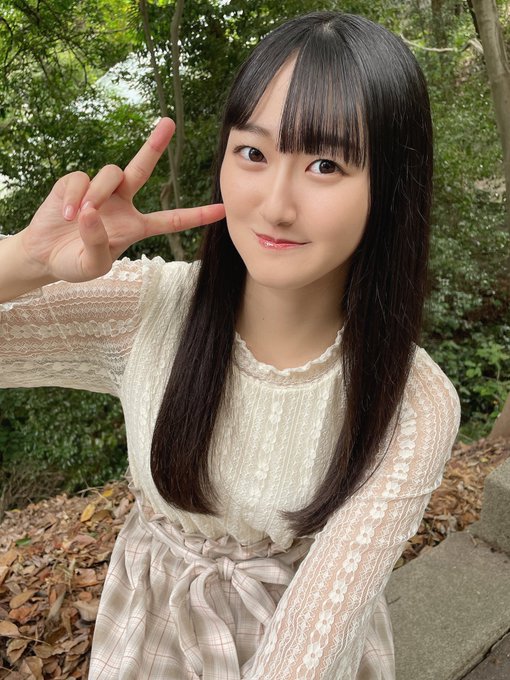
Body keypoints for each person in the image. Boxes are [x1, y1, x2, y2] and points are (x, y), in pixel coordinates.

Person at [0, 10, 461, 680]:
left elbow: (310, 645)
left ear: (390, 189)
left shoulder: (412, 402)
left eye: (325, 164)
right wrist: (25, 262)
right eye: (253, 153)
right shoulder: (152, 308)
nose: (275, 204)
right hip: (145, 645)